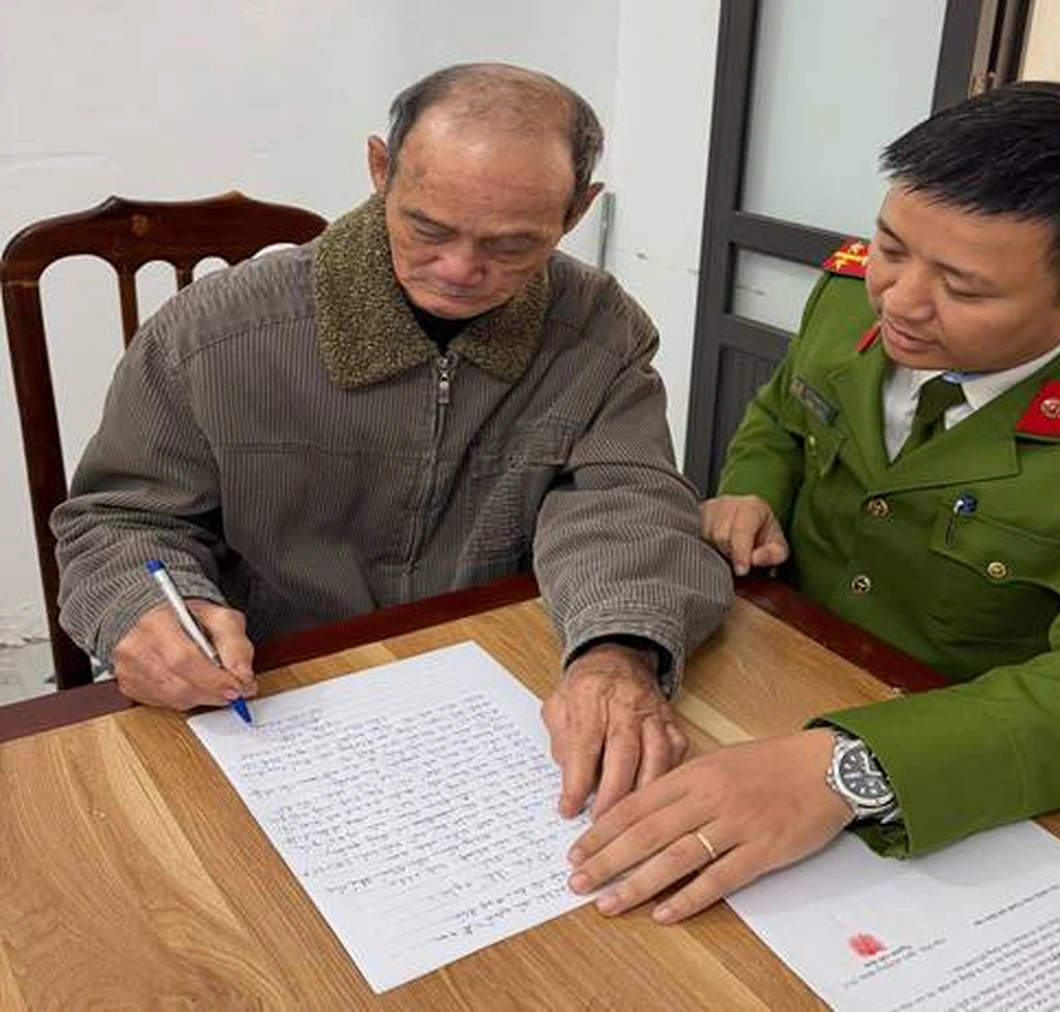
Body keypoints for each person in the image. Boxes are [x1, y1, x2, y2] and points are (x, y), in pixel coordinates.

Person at [564, 82, 1060, 924]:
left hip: (971, 772)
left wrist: (848, 769)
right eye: (891, 247)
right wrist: (753, 488)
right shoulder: (851, 295)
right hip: (771, 674)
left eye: (965, 287)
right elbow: (784, 412)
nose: (900, 300)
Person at [53, 63, 731, 816]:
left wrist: (614, 649)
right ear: (381, 169)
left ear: (577, 211)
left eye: (513, 245)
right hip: (270, 693)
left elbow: (626, 500)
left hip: (506, 693)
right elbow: (119, 519)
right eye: (428, 228)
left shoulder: (599, 332)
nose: (460, 270)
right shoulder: (212, 334)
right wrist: (145, 608)